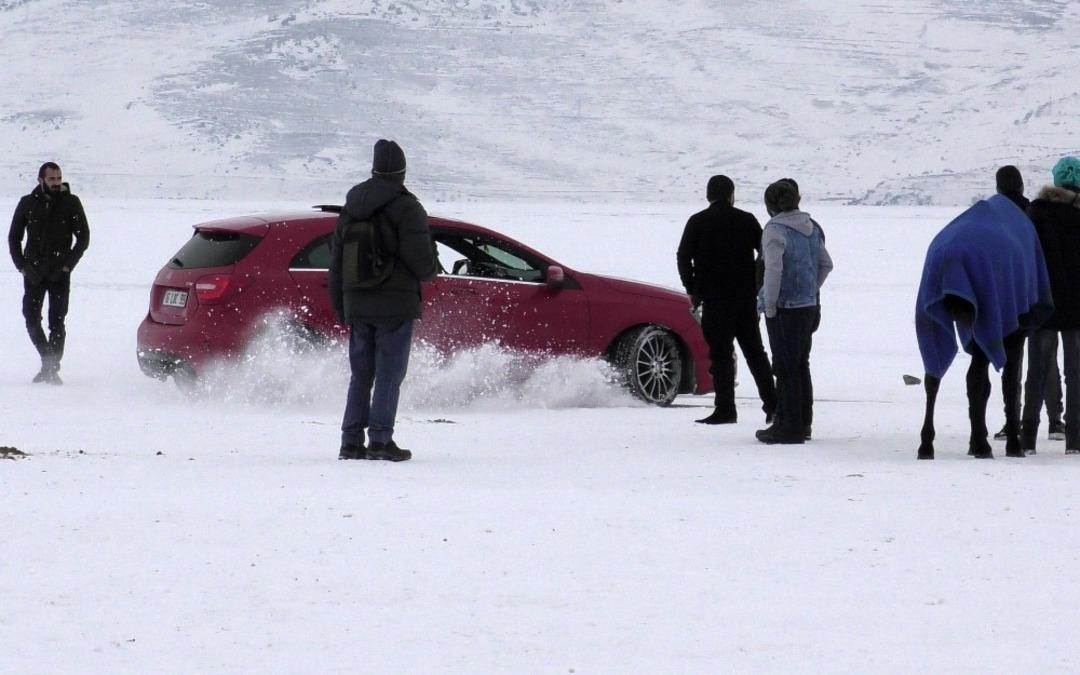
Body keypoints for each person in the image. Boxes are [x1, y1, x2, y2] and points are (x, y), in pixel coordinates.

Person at [329, 140, 438, 462]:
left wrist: (342, 305)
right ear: (402, 172)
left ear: (374, 169)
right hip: (395, 305)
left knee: (361, 375)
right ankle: (380, 440)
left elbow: (336, 261)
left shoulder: (351, 206)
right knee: (389, 375)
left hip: (357, 303)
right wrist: (431, 268)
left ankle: (350, 442)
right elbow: (421, 263)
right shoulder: (407, 207)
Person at [676, 175, 776, 425]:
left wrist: (692, 288)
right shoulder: (746, 219)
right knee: (755, 353)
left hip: (714, 299)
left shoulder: (697, 222)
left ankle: (725, 409)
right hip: (744, 298)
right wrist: (756, 281)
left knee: (720, 355)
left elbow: (683, 256)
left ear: (709, 195)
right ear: (732, 194)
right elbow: (765, 252)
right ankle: (773, 405)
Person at [755, 179, 833, 444]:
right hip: (808, 306)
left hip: (785, 307)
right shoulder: (811, 227)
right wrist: (811, 289)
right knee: (801, 364)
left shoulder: (774, 230)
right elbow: (826, 264)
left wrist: (770, 304)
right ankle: (803, 422)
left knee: (785, 367)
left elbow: (773, 270)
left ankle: (788, 426)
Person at [992, 165, 1067, 441]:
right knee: (1045, 359)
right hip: (1042, 293)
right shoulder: (1034, 211)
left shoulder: (1001, 214)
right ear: (1022, 186)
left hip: (1016, 293)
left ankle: (1015, 418)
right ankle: (1055, 419)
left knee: (1017, 358)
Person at [8, 162, 90, 384]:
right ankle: (48, 361)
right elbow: (14, 238)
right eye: (52, 179)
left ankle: (51, 367)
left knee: (57, 321)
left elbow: (83, 238)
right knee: (31, 318)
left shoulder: (71, 203)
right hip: (34, 272)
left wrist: (67, 266)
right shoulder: (27, 203)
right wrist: (23, 266)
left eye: (58, 179)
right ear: (41, 180)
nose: (56, 183)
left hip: (59, 273)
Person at [1020, 156, 1080, 454]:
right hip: (1077, 307)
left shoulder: (1036, 212)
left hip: (1043, 303)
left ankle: (1027, 437)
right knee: (1076, 373)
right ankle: (1075, 439)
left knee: (1037, 370)